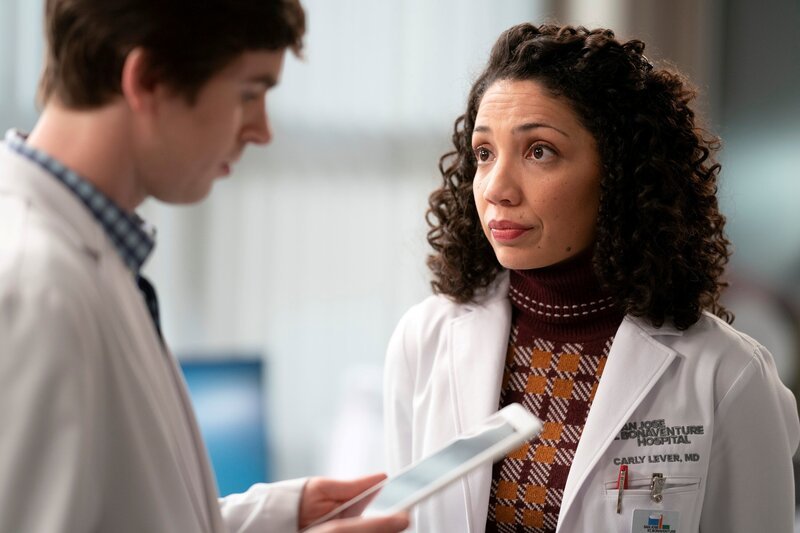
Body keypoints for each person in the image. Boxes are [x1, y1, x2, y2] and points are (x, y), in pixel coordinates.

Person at [0, 1, 409, 532]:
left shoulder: (91, 254)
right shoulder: (34, 286)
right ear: (147, 80)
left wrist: (278, 519)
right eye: (249, 93)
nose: (262, 130)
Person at [383, 22, 800, 532]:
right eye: (485, 153)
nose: (496, 188)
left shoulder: (727, 375)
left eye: (539, 151)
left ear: (622, 173)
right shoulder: (424, 340)